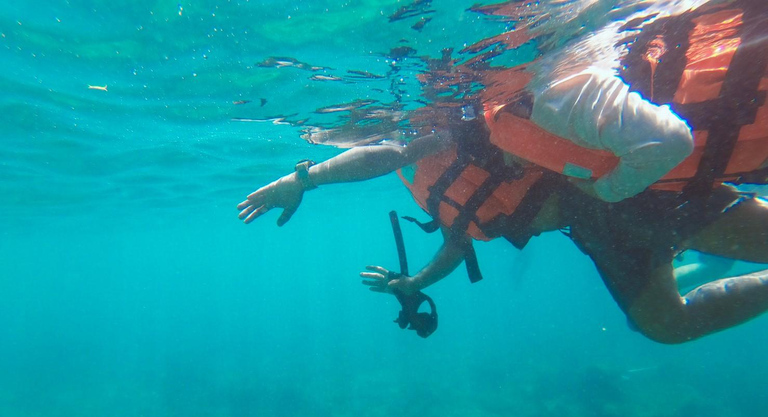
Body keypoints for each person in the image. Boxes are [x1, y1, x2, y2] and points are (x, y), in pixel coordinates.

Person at [238, 0, 768, 343]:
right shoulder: (435, 176)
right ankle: (686, 260)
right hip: (600, 220)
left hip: (641, 194)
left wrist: (303, 179)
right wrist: (414, 281)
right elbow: (456, 238)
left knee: (665, 318)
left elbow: (391, 153)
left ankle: (690, 253)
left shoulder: (453, 121)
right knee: (663, 324)